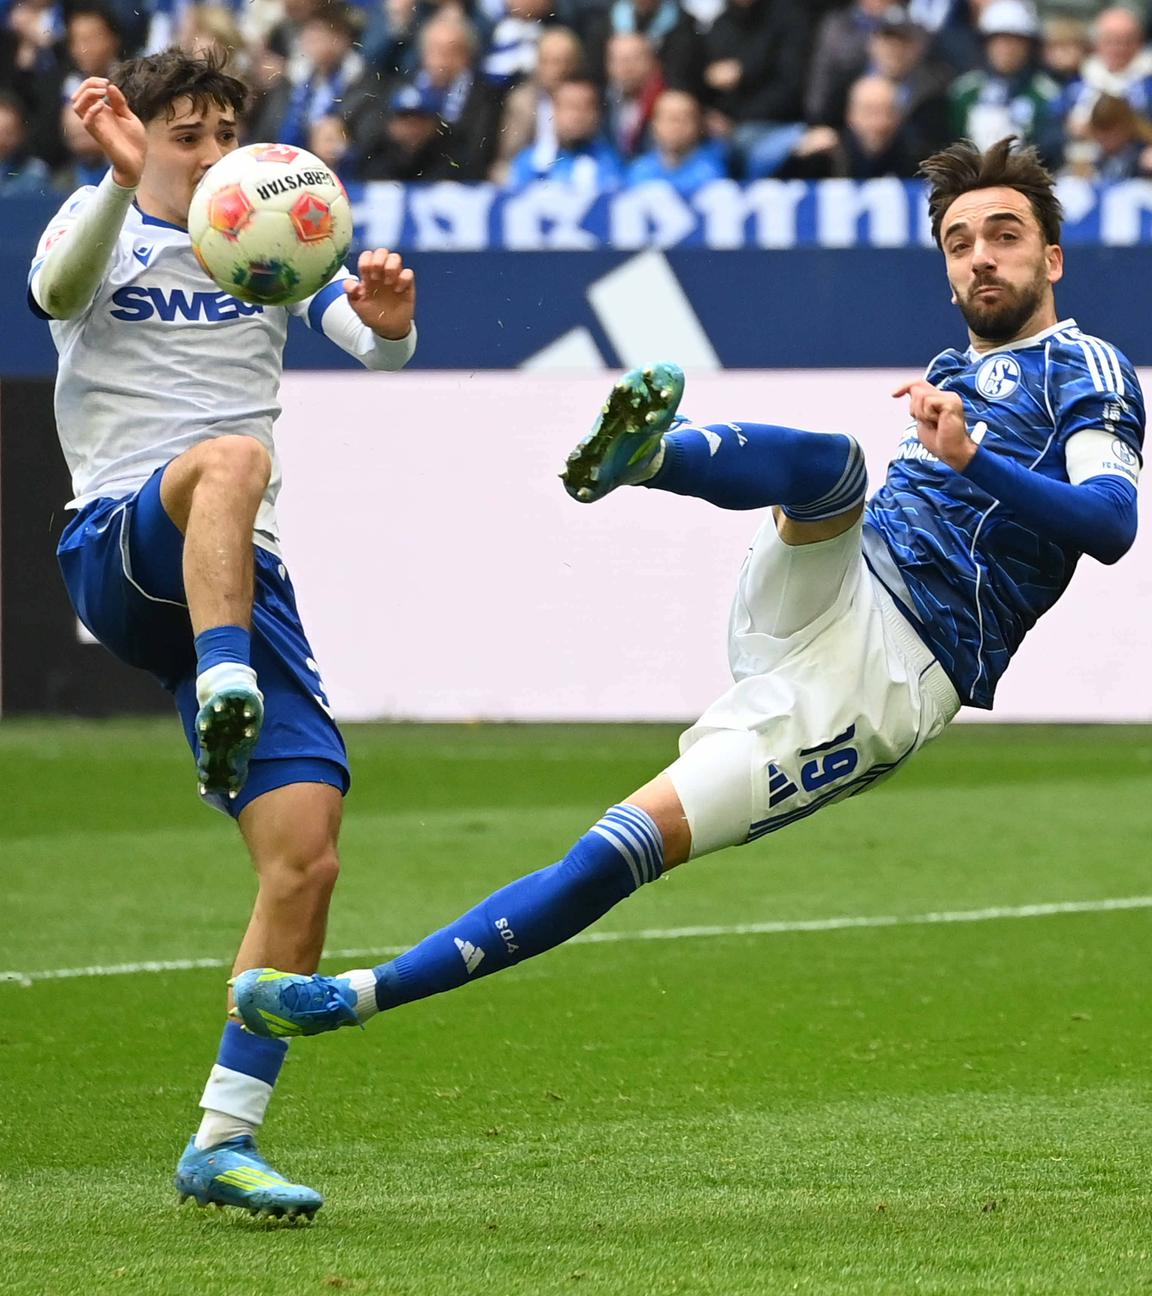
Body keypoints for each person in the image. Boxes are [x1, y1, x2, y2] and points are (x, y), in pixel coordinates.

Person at [234, 136, 1144, 1181]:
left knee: (620, 846)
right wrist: (956, 445)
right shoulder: (951, 373)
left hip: (886, 675)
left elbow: (1110, 523)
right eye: (958, 240)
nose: (979, 257)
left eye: (1004, 236)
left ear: (1054, 258)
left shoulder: (1089, 369)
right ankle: (647, 457)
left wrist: (972, 456)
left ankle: (354, 995)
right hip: (828, 587)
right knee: (834, 468)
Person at [28, 48, 418, 1218]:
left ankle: (222, 1140)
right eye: (183, 133)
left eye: (219, 131)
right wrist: (115, 180)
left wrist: (390, 320)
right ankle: (221, 686)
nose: (207, 153)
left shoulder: (269, 243)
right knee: (234, 457)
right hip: (119, 542)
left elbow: (373, 346)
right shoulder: (97, 231)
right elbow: (52, 296)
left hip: (242, 579)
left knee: (307, 853)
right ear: (140, 138)